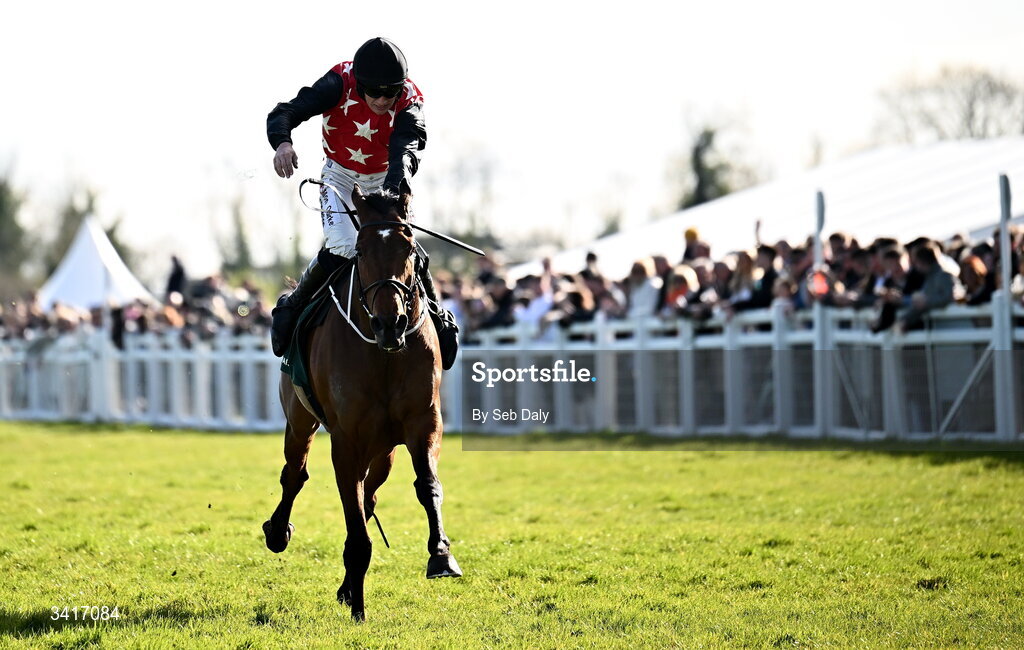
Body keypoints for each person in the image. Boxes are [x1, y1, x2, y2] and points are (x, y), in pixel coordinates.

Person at [266, 37, 456, 362]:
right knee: (343, 244)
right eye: (375, 93)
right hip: (340, 176)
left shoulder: (410, 100)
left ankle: (437, 314)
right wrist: (283, 143)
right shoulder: (339, 82)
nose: (383, 100)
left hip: (389, 178)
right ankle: (294, 302)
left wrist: (393, 194)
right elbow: (285, 112)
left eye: (390, 93)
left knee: (399, 242)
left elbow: (406, 150)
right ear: (360, 84)